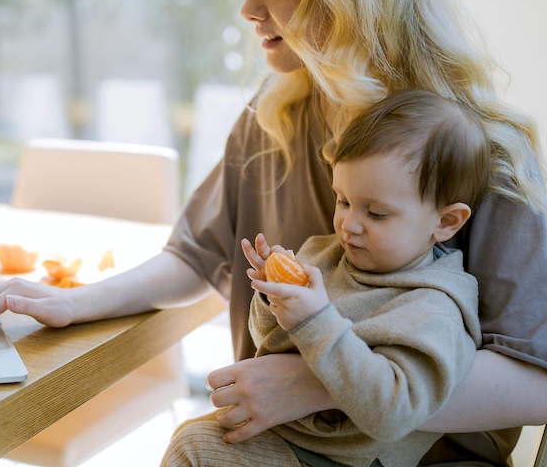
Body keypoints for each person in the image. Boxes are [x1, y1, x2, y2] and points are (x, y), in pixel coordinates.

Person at [0, 0, 547, 463]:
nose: (248, 7)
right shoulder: (273, 118)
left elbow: (535, 385)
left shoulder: (484, 149)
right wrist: (75, 302)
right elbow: (195, 256)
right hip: (282, 447)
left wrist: (320, 380)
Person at [162, 89, 489, 467]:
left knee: (194, 447)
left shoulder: (433, 307)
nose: (348, 225)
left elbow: (394, 412)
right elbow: (269, 345)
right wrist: (274, 298)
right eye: (344, 201)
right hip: (291, 437)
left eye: (377, 213)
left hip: (344, 460)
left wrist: (316, 320)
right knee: (192, 436)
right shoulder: (325, 254)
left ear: (446, 222)